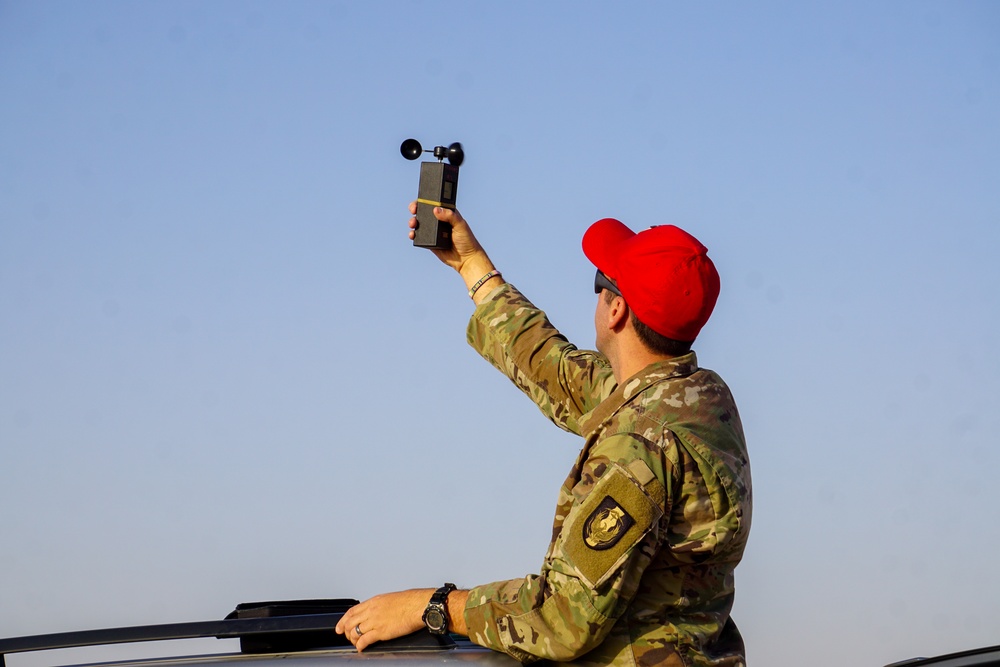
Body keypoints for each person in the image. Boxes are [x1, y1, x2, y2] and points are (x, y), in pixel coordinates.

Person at [335, 204, 752, 667]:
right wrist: (472, 267)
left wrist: (431, 606)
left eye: (600, 283)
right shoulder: (696, 399)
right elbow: (558, 372)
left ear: (616, 309)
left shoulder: (640, 448)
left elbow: (563, 620)